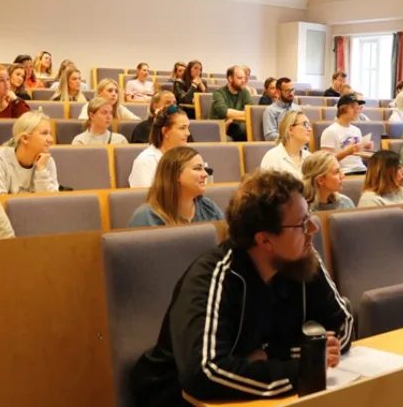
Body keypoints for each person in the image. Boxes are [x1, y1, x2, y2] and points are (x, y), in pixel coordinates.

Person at [130, 170, 353, 406]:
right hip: (177, 398)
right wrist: (302, 366)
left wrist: (277, 355)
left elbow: (343, 323)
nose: (313, 230)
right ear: (265, 240)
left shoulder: (302, 259)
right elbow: (205, 372)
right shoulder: (213, 277)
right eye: (302, 224)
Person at [129, 146, 224, 228]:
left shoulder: (208, 207)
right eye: (198, 168)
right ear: (176, 175)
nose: (205, 174)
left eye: (204, 168)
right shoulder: (146, 217)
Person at [0, 111, 59, 195]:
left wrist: (41, 170)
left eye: (50, 133)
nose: (51, 140)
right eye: (44, 133)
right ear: (25, 138)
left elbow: (50, 202)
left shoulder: (47, 161)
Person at [129, 105, 191, 188]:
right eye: (182, 128)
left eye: (188, 128)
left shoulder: (187, 159)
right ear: (165, 131)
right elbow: (144, 198)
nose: (188, 133)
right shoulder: (145, 162)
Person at [319, 94, 371, 176]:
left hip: (362, 169)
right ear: (342, 109)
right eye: (353, 107)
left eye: (357, 108)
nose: (357, 110)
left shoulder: (357, 130)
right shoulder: (330, 131)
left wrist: (365, 147)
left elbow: (357, 156)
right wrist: (346, 153)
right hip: (344, 172)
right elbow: (326, 161)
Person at [260, 111, 312, 179]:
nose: (310, 129)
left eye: (309, 125)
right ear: (290, 129)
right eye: (305, 124)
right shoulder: (272, 158)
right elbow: (266, 188)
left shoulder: (309, 157)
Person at [209, 65, 251, 142]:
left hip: (235, 127)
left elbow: (251, 110)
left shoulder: (244, 92)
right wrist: (245, 113)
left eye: (244, 78)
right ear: (230, 79)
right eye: (240, 78)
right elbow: (223, 111)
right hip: (218, 129)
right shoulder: (218, 93)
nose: (243, 81)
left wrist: (235, 115)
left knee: (248, 133)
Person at [262, 77, 301, 141]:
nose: (291, 94)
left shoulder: (297, 108)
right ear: (278, 92)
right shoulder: (270, 110)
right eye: (287, 91)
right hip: (282, 147)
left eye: (292, 90)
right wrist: (290, 137)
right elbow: (269, 136)